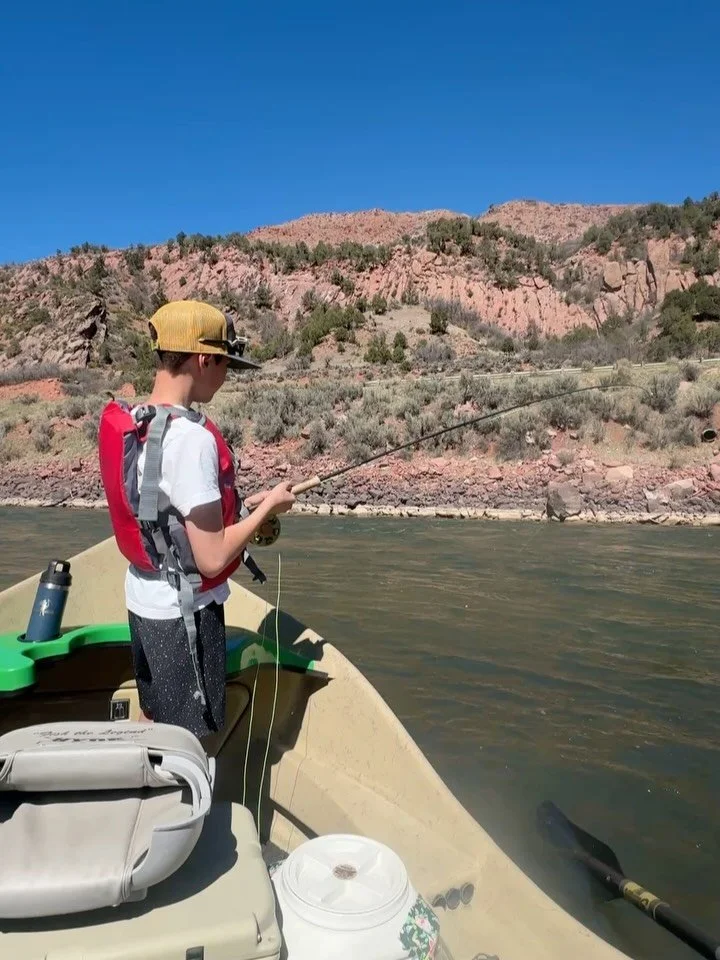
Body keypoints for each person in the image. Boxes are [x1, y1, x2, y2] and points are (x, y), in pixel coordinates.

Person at [98, 299, 296, 739]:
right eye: (225, 363)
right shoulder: (192, 440)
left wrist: (243, 505)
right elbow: (211, 558)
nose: (227, 376)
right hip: (184, 614)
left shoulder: (138, 421)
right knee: (190, 744)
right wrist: (268, 509)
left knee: (151, 720)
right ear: (204, 359)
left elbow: (164, 512)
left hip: (143, 602)